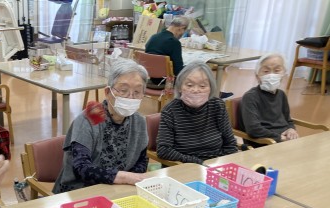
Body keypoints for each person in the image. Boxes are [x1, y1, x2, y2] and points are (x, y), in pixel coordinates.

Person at [52, 59, 150, 194]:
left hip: (120, 189)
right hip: (81, 191)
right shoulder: (89, 119)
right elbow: (82, 168)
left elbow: (142, 161)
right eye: (123, 90)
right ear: (108, 92)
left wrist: (128, 182)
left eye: (137, 92)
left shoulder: (139, 121)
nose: (130, 97)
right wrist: (123, 177)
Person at [156, 62, 237, 164]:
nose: (195, 90)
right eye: (189, 85)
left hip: (215, 165)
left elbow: (230, 144)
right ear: (180, 87)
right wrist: (198, 163)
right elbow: (163, 150)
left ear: (210, 88)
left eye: (202, 86)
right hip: (184, 166)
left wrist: (220, 164)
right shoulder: (170, 111)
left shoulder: (218, 106)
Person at [239, 53, 298, 147]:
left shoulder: (281, 95)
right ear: (257, 76)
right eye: (266, 71)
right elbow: (253, 129)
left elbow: (288, 120)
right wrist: (279, 137)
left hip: (284, 141)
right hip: (264, 143)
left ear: (283, 74)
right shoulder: (250, 97)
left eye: (277, 70)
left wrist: (291, 129)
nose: (271, 75)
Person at [145, 15, 190, 85]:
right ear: (181, 28)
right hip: (167, 81)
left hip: (152, 78)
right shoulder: (174, 42)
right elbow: (178, 70)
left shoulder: (153, 37)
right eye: (183, 32)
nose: (182, 35)